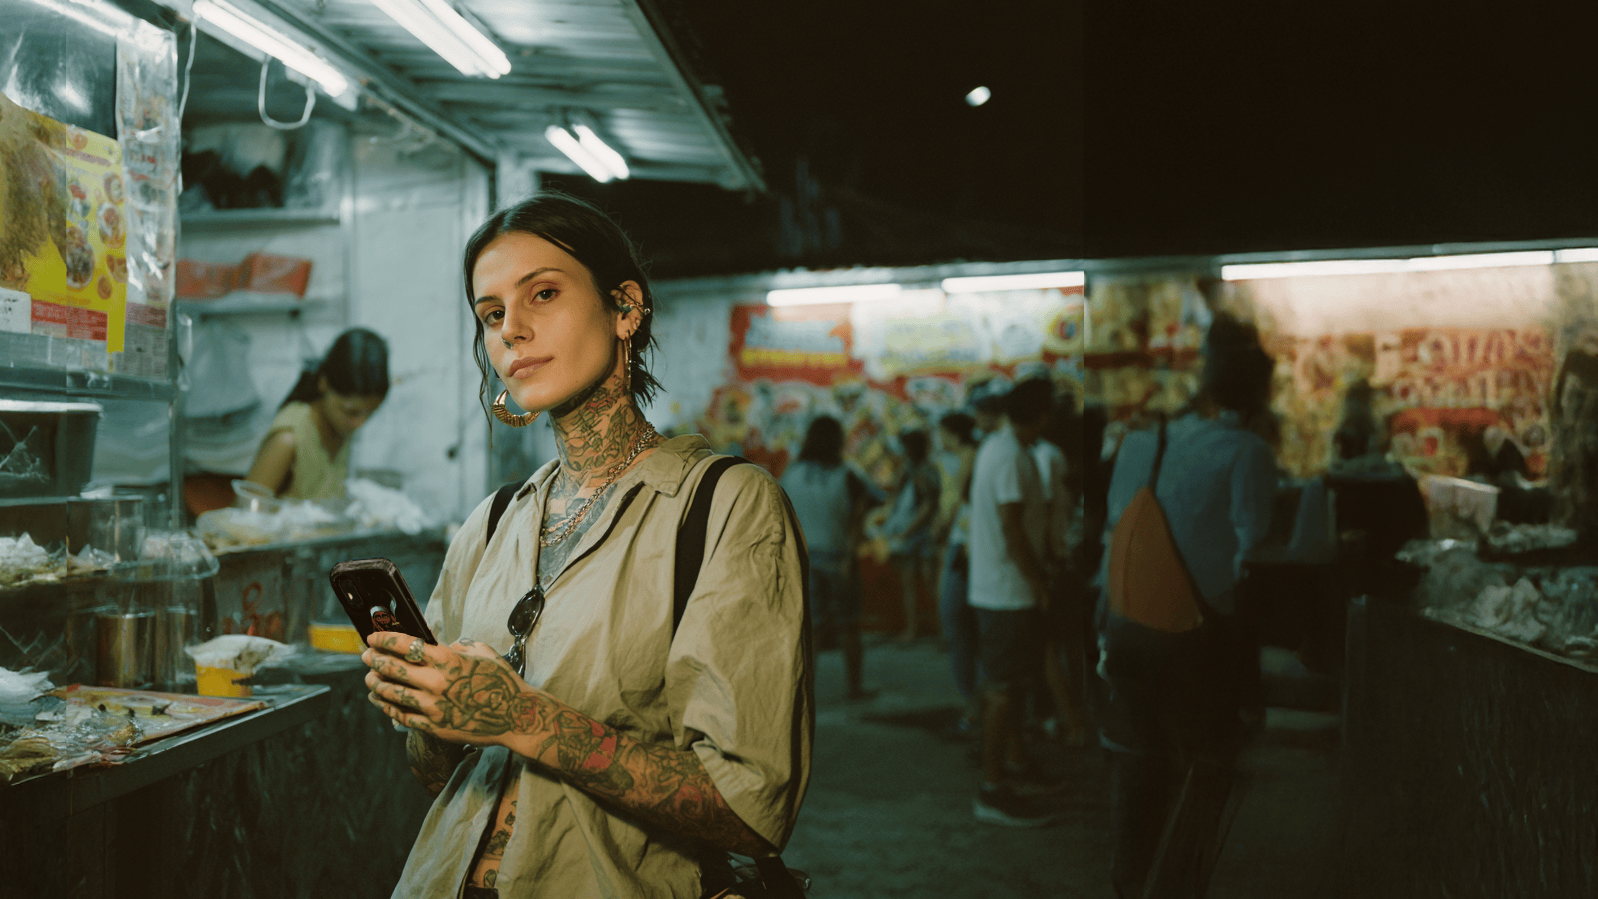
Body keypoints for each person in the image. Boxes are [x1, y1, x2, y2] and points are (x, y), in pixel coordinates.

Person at [361, 193, 812, 898]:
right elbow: (441, 772)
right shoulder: (490, 523)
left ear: (625, 307)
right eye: (491, 314)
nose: (513, 329)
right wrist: (428, 710)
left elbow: (749, 806)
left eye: (543, 293)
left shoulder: (723, 507)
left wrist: (522, 716)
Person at [1097, 314, 1277, 899]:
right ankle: (1183, 885)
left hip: (1121, 626)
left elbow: (1113, 527)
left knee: (1138, 767)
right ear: (1260, 395)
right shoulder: (1247, 450)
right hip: (1193, 640)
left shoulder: (1143, 440)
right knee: (1207, 768)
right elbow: (1253, 551)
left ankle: (1130, 884)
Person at [967, 376, 1058, 825]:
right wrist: (1040, 581)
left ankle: (1016, 763)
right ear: (1041, 416)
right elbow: (1013, 529)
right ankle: (991, 787)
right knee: (1003, 689)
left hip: (1002, 589)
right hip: (1006, 591)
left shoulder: (1004, 449)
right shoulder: (1008, 457)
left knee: (1012, 684)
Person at [781, 415, 882, 700]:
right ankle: (854, 686)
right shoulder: (847, 474)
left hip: (802, 558)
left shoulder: (793, 472)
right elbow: (872, 501)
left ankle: (806, 689)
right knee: (848, 626)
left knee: (809, 629)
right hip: (840, 559)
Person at [244, 327, 388, 501]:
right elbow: (245, 518)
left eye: (370, 413)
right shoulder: (288, 439)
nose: (360, 423)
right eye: (351, 412)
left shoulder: (340, 427)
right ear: (323, 384)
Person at [1033, 394, 1088, 747]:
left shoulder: (1045, 456)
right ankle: (1078, 718)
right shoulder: (1071, 459)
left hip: (1055, 560)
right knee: (1072, 645)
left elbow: (1044, 511)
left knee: (1050, 649)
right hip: (1073, 557)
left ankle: (1072, 723)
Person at [934, 410, 983, 737]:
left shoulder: (969, 457)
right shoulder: (970, 456)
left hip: (965, 546)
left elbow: (954, 506)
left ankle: (975, 706)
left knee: (956, 622)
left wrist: (940, 528)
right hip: (965, 545)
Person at [883, 428, 942, 641]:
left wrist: (907, 531)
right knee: (926, 583)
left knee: (925, 582)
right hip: (917, 531)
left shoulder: (923, 471)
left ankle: (922, 630)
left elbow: (928, 505)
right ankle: (932, 631)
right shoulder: (917, 468)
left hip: (919, 531)